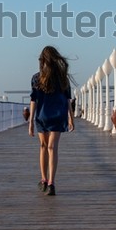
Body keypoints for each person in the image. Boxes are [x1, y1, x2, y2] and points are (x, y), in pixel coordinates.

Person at [29, 46, 75, 196]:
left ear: (43, 60)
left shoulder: (37, 78)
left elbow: (33, 100)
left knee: (43, 147)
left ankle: (43, 179)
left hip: (42, 116)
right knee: (52, 147)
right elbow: (68, 100)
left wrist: (30, 122)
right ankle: (51, 183)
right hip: (58, 115)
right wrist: (71, 118)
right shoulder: (63, 78)